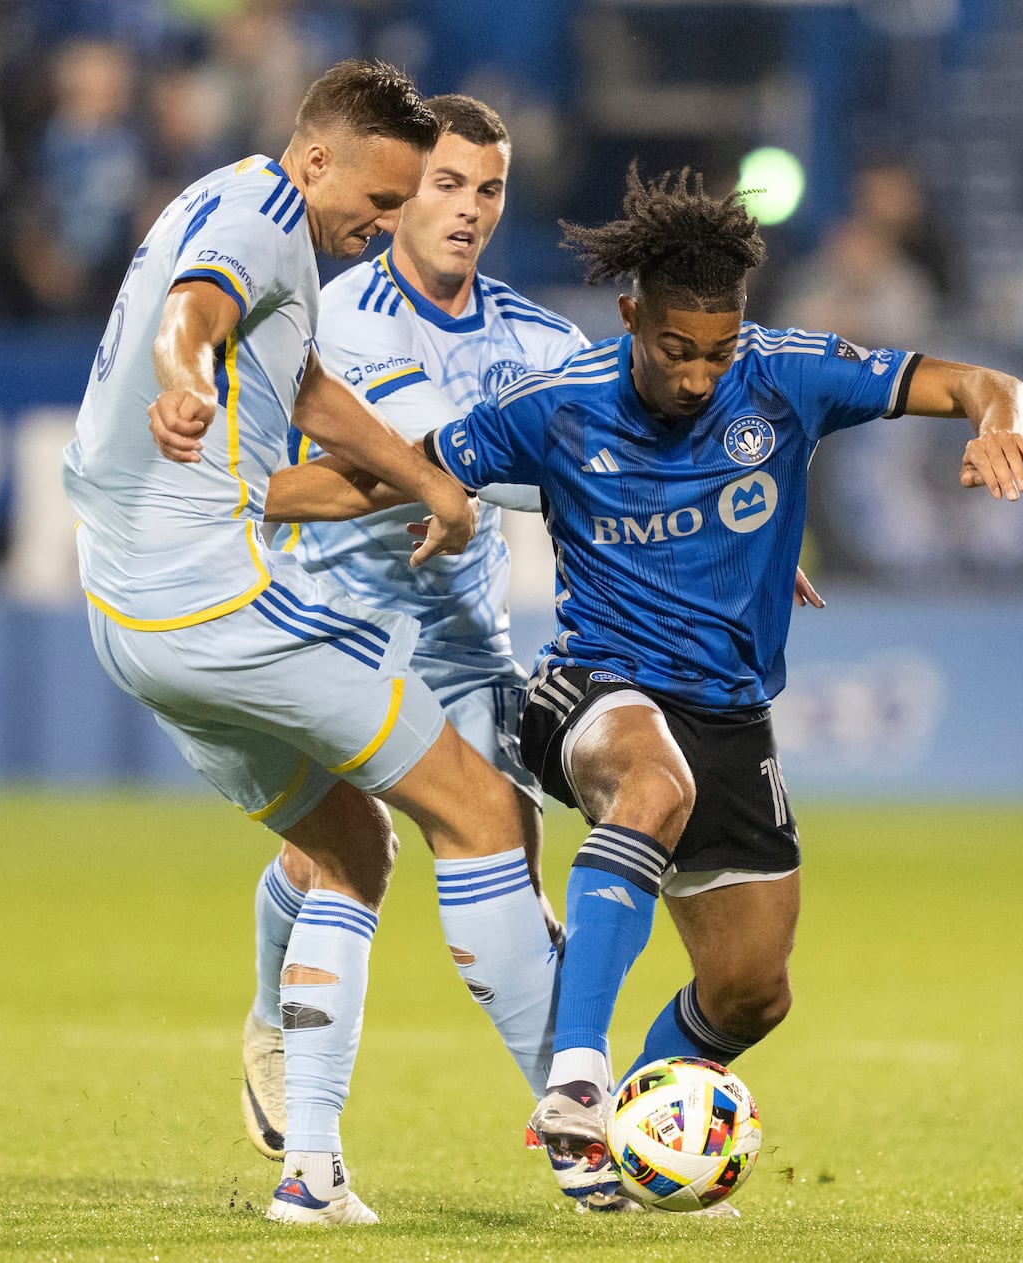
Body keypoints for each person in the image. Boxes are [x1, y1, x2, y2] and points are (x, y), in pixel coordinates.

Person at [414, 164, 1023, 1206]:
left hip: (730, 717)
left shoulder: (786, 375)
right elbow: (414, 465)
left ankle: (621, 1142)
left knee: (750, 994)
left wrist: (996, 421)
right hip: (589, 687)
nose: (700, 376)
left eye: (717, 352)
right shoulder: (556, 405)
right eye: (675, 350)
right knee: (651, 787)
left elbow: (977, 380)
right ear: (629, 318)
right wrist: (369, 504)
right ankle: (576, 1076)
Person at [64, 60, 552, 1228]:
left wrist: (426, 485)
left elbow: (309, 384)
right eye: (381, 203)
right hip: (217, 599)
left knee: (348, 843)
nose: (375, 228)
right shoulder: (254, 220)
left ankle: (311, 1176)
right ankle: (591, 1134)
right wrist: (184, 387)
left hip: (125, 610)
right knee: (481, 814)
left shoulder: (233, 196)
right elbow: (196, 317)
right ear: (321, 157)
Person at [235, 94, 587, 1166]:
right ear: (397, 192)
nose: (467, 209)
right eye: (444, 184)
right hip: (337, 622)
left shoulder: (537, 336)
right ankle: (279, 1042)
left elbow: (611, 458)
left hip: (468, 642)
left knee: (508, 854)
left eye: (488, 189)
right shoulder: (338, 318)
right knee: (347, 850)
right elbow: (413, 463)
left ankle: (573, 1107)